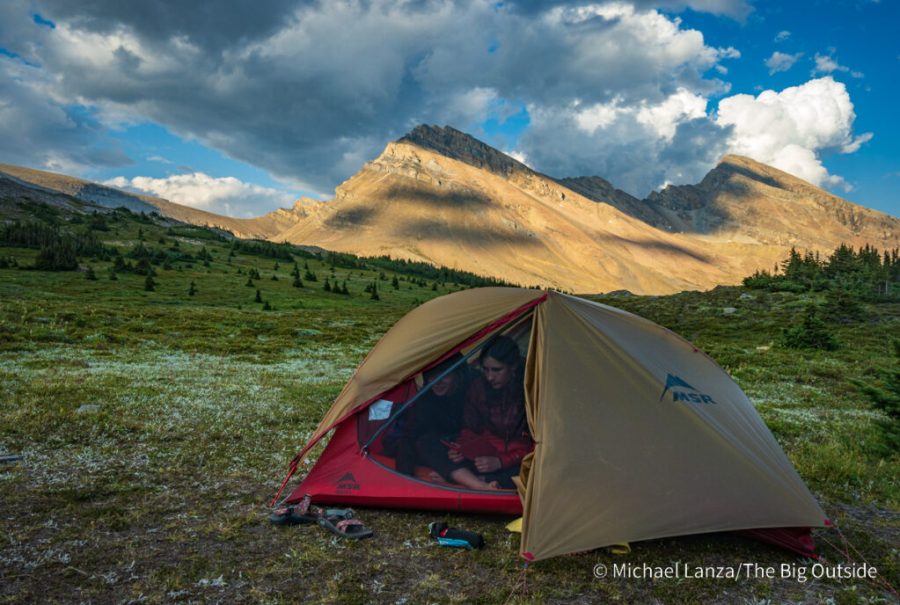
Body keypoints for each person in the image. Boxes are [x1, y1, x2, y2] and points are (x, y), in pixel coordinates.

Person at [441, 334, 534, 490]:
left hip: (519, 459)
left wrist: (502, 461)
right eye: (485, 369)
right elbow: (469, 428)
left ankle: (472, 480)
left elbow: (543, 444)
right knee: (429, 446)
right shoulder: (478, 388)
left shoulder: (530, 389)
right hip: (485, 457)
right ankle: (483, 481)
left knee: (536, 471)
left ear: (513, 367)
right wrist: (461, 449)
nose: (490, 377)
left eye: (497, 370)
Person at [385, 353, 468, 476]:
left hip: (467, 450)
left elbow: (479, 431)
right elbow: (409, 437)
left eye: (444, 375)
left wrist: (463, 447)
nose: (437, 382)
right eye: (431, 376)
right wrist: (404, 478)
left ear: (458, 376)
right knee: (422, 442)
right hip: (437, 450)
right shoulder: (425, 400)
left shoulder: (472, 394)